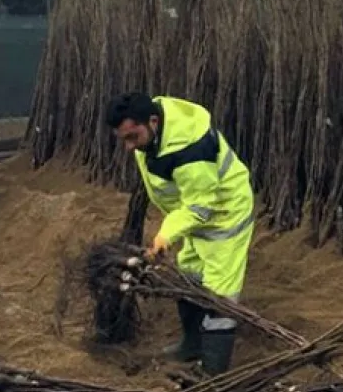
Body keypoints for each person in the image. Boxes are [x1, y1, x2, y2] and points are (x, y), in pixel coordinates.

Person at [105, 92, 255, 375]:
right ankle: (193, 344)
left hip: (224, 216)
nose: (128, 147)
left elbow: (201, 207)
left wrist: (166, 235)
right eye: (123, 139)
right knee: (187, 276)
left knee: (219, 297)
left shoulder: (190, 151)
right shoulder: (155, 126)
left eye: (132, 138)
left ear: (152, 122)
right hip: (194, 218)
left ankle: (213, 372)